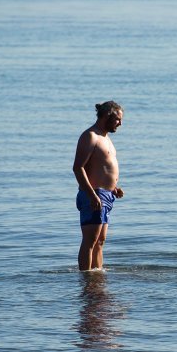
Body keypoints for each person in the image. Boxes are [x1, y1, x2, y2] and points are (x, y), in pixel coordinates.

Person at [73, 101, 125, 271]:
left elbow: (102, 167)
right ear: (106, 116)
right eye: (117, 119)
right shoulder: (90, 136)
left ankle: (97, 275)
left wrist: (114, 188)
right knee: (90, 240)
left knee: (100, 241)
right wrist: (92, 195)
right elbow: (78, 168)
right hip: (94, 195)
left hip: (106, 195)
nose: (120, 123)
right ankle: (86, 279)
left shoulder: (106, 138)